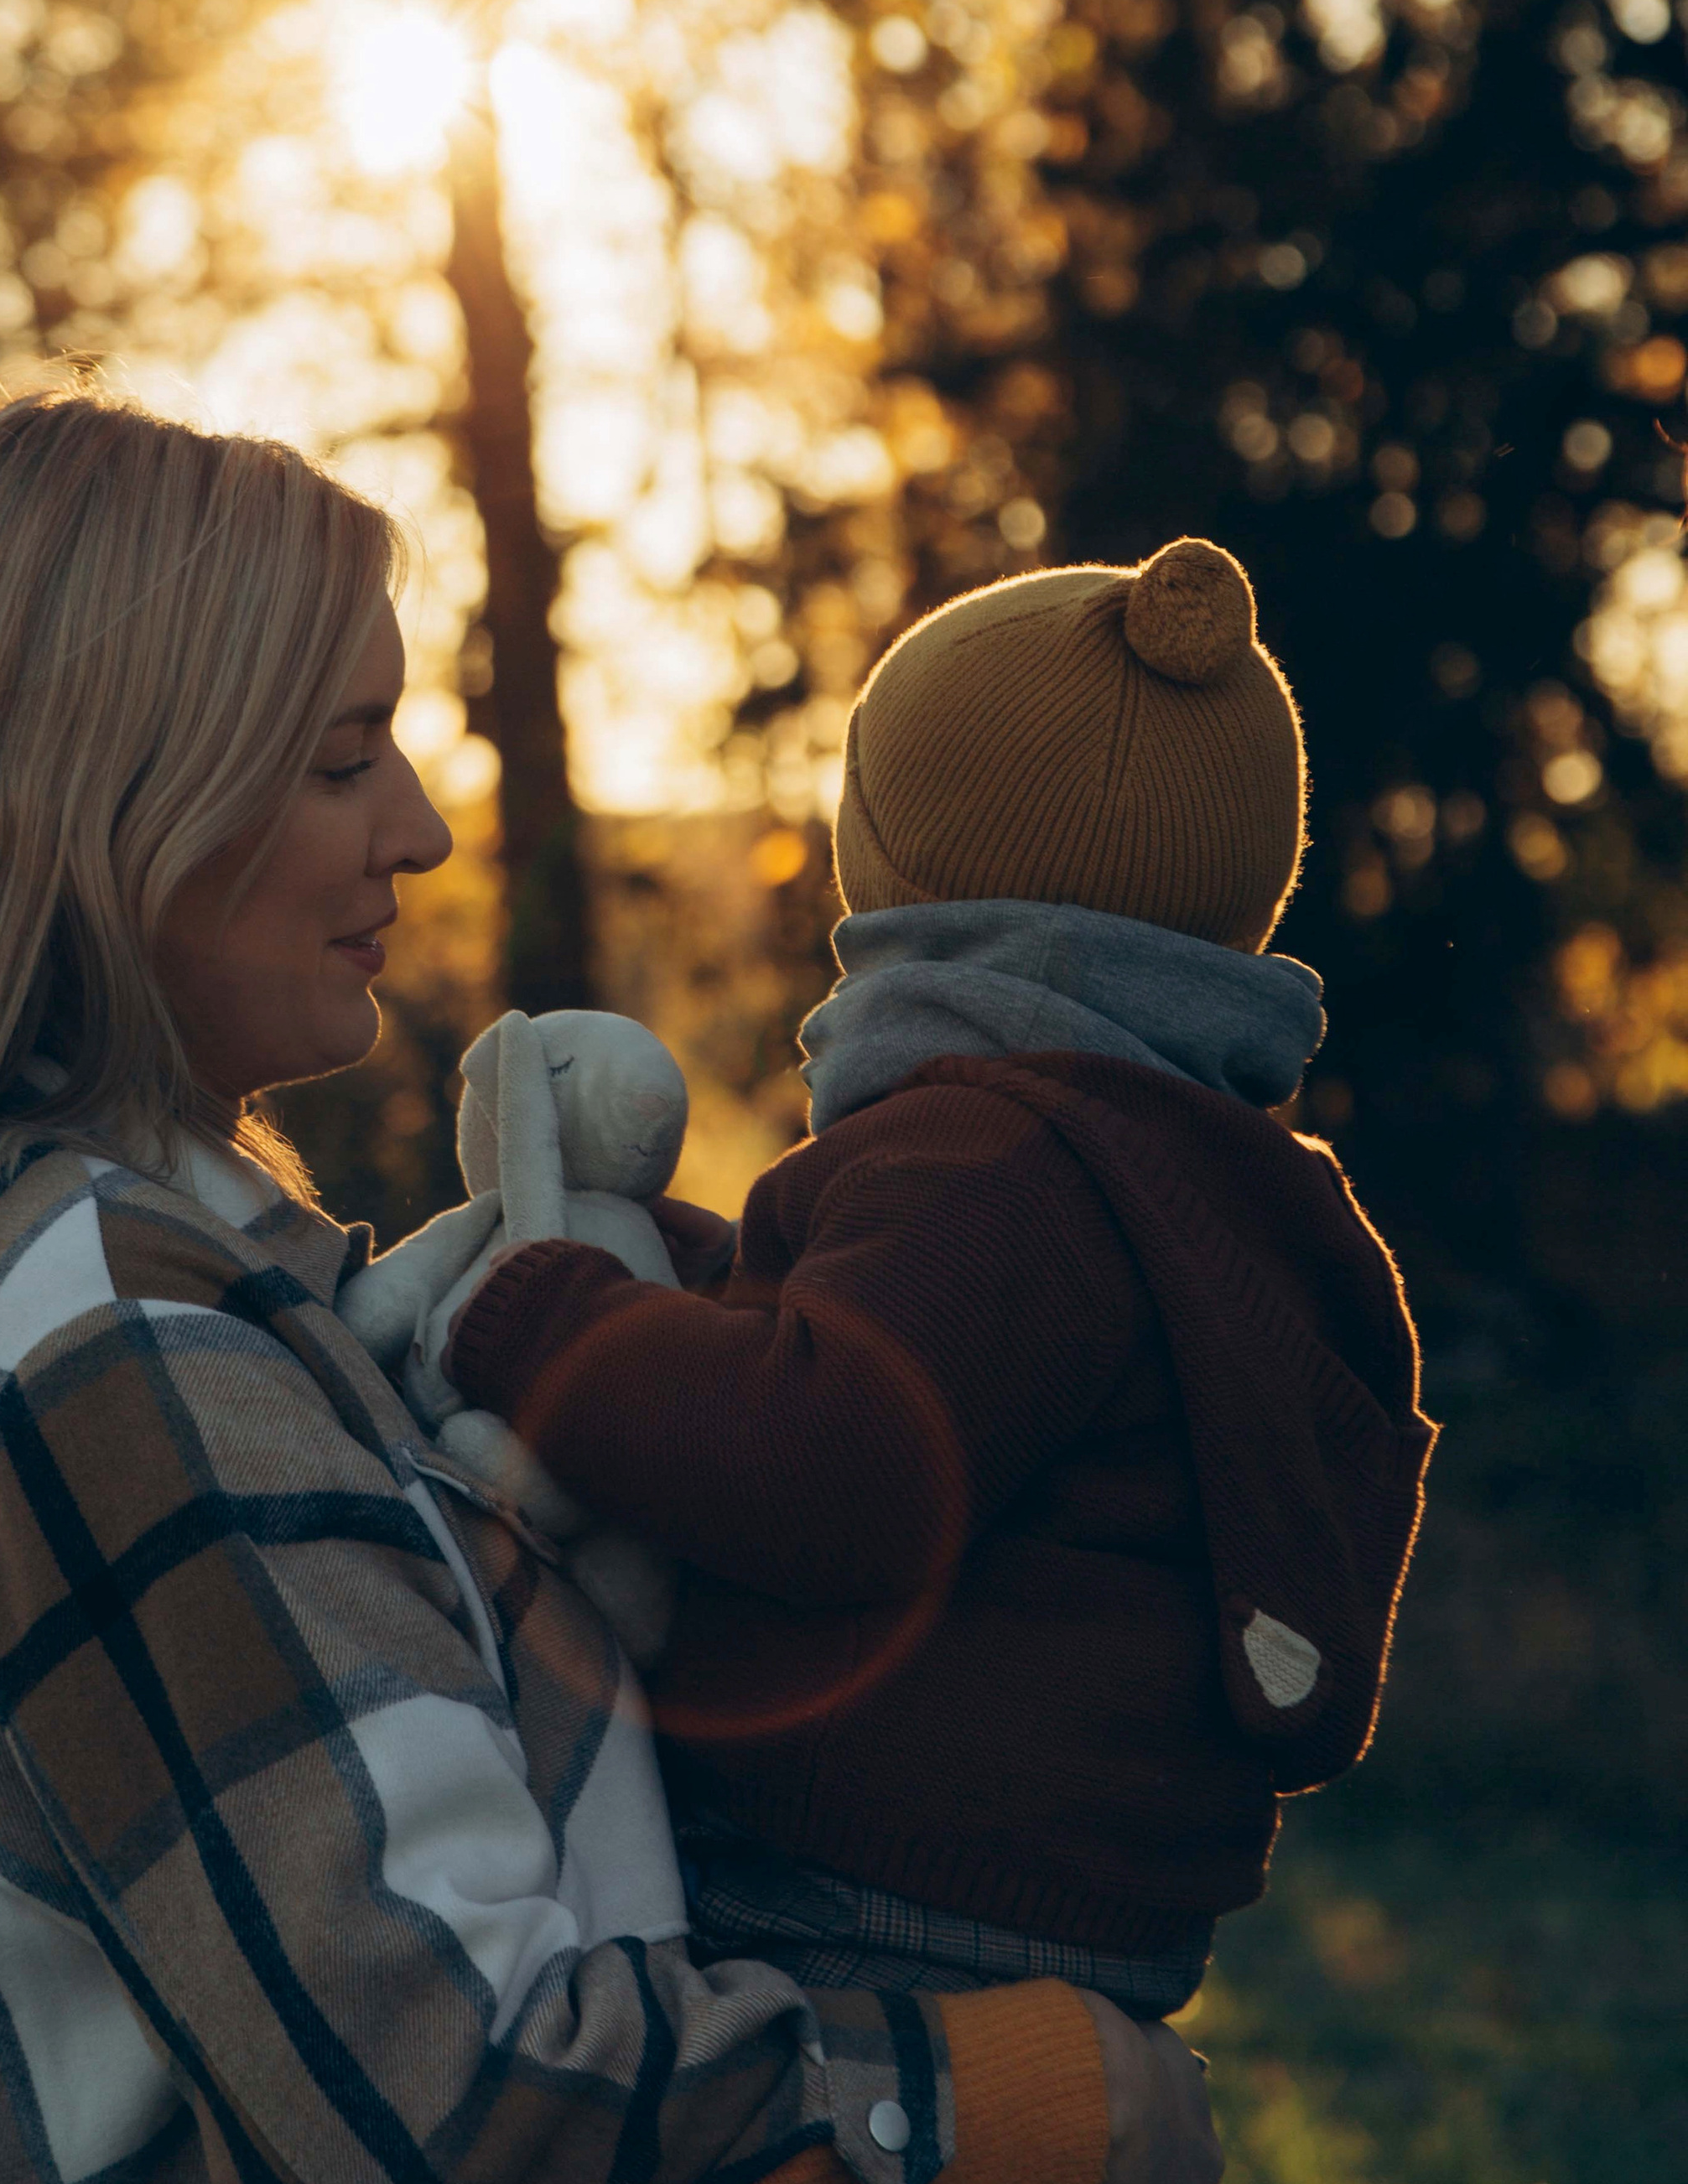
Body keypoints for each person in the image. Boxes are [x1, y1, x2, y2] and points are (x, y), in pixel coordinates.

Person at [0, 387, 1220, 2184]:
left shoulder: (158, 1297)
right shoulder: (117, 1357)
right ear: (95, 798)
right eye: (336, 757)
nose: (425, 823)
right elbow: (463, 2121)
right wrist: (1056, 2097)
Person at [443, 540, 1436, 2030]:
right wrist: (703, 1286)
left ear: (897, 870)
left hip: (876, 1904)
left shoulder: (997, 1156)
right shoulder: (1192, 1161)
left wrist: (546, 1313)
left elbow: (827, 1459)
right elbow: (936, 1376)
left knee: (582, 2095)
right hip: (1057, 1915)